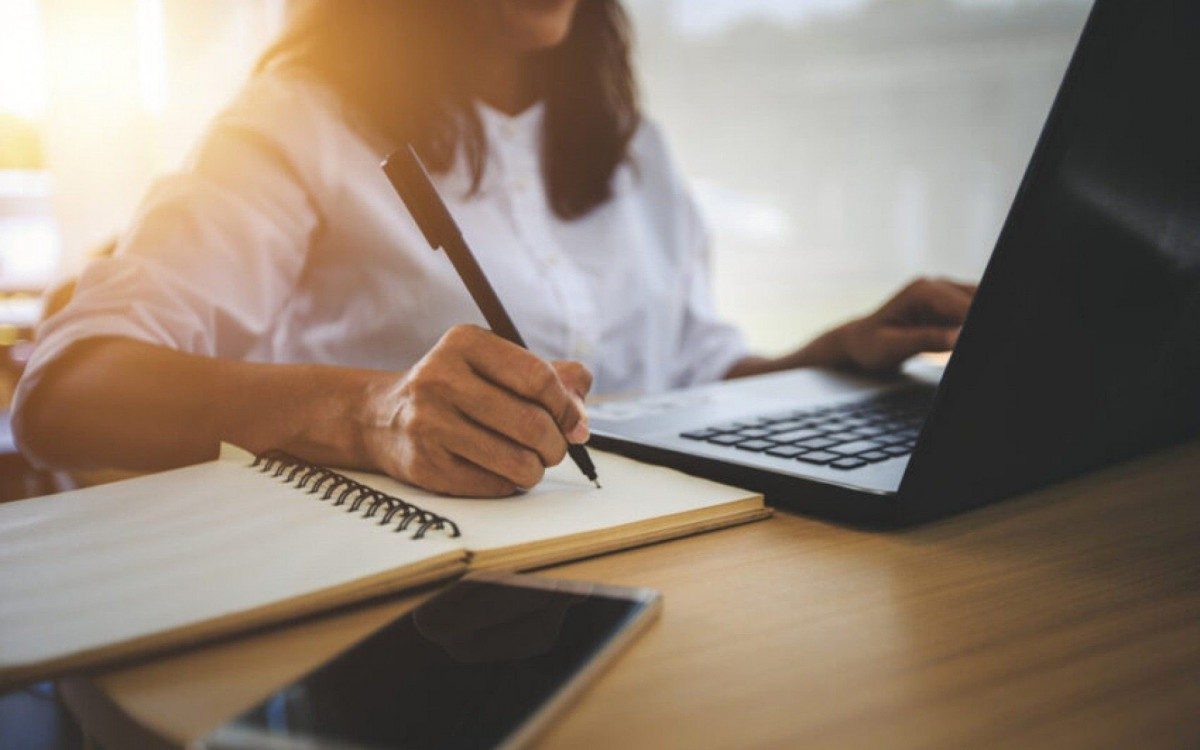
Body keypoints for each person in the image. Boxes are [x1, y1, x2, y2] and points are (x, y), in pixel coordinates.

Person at [12, 0, 975, 497]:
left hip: (666, 564)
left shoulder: (629, 143)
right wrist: (370, 413)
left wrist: (830, 354)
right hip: (413, 613)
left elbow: (688, 370)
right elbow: (64, 393)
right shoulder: (294, 126)